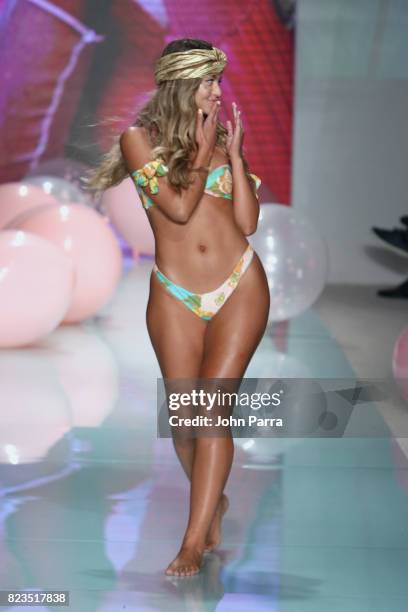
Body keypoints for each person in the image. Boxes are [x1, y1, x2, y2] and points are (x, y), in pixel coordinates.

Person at [86, 38, 270, 576]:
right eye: (208, 81)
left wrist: (232, 156)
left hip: (240, 284)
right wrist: (206, 142)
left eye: (218, 80)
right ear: (181, 84)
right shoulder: (138, 140)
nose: (217, 91)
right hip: (175, 292)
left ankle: (192, 542)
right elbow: (179, 209)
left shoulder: (221, 144)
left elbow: (248, 222)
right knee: (186, 419)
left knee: (213, 409)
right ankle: (211, 503)